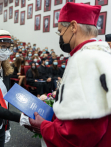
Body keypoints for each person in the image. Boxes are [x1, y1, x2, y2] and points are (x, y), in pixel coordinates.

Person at [25, 3, 111, 147]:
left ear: (73, 26)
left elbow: (77, 136)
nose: (61, 38)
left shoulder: (85, 60)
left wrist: (43, 126)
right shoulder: (103, 54)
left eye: (60, 32)